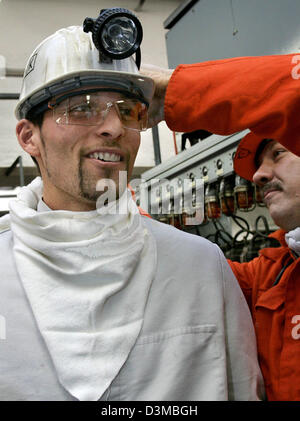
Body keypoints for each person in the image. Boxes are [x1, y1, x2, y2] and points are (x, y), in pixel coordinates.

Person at [0, 22, 264, 401]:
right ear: (29, 137)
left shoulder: (201, 267)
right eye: (83, 109)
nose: (113, 127)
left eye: (127, 111)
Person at [141, 56, 300, 400]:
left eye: (278, 153)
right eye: (258, 164)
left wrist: (174, 87)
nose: (258, 175)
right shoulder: (270, 277)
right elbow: (185, 263)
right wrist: (117, 206)